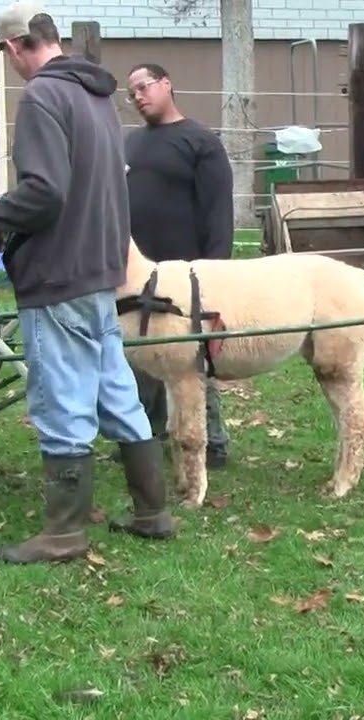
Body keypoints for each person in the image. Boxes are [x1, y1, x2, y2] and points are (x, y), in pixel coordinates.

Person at [0, 1, 175, 564]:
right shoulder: (96, 95)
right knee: (115, 388)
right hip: (100, 269)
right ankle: (151, 511)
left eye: (7, 54)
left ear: (14, 46)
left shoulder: (43, 95)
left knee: (61, 398)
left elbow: (44, 190)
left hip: (59, 272)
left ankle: (64, 533)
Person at [120, 62, 235, 469]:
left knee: (191, 361)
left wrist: (213, 272)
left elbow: (218, 212)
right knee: (143, 357)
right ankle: (148, 437)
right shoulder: (131, 144)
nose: (138, 97)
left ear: (167, 84)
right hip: (138, 277)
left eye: (144, 87)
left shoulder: (200, 142)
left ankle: (211, 442)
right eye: (131, 93)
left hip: (188, 280)